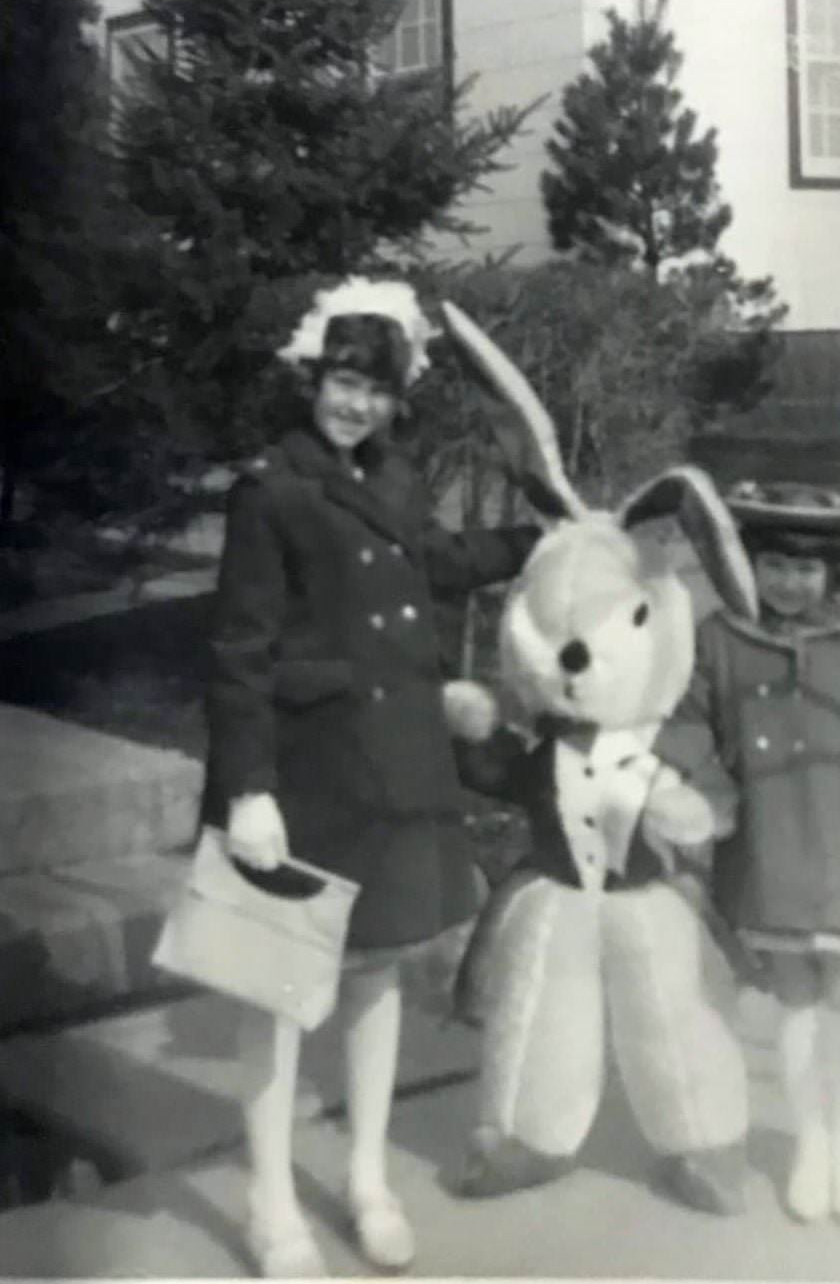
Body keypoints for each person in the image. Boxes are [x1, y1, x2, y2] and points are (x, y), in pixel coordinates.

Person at [201, 279, 539, 1278]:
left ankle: (364, 1181)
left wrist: (535, 542)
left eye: (374, 389)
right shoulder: (273, 487)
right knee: (277, 993)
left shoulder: (392, 476)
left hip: (391, 767)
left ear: (397, 399)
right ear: (315, 375)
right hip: (305, 776)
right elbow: (239, 650)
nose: (354, 403)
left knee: (378, 974)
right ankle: (270, 1207)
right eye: (341, 380)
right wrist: (247, 787)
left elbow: (433, 559)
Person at [655, 479, 840, 1229]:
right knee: (798, 1007)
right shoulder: (721, 637)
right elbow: (690, 721)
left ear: (834, 572)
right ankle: (811, 1144)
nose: (789, 582)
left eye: (807, 569)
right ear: (750, 563)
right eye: (773, 564)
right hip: (772, 846)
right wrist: (653, 775)